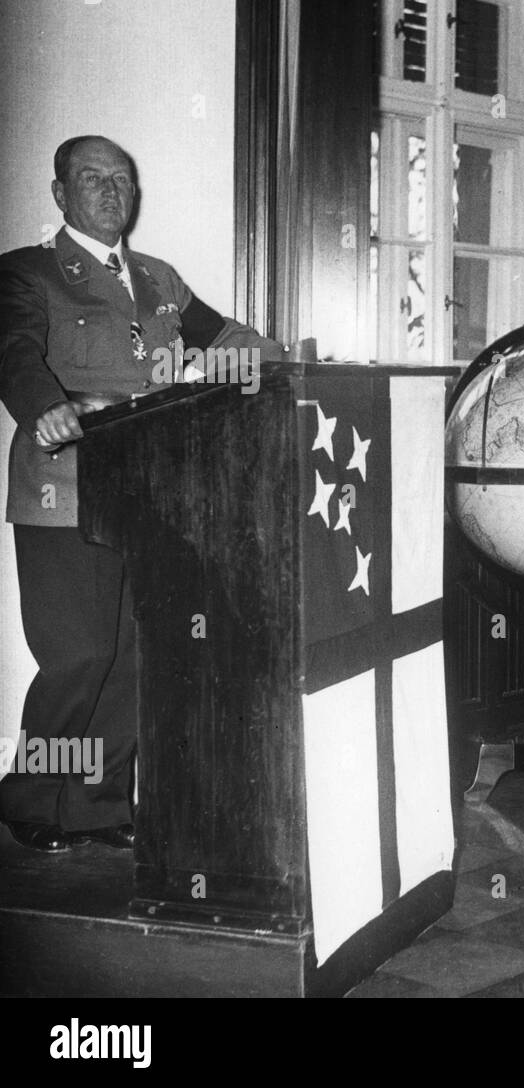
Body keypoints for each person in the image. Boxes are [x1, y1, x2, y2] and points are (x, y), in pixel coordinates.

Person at [0, 135, 283, 853]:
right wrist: (42, 407)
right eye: (92, 179)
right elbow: (14, 351)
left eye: (122, 179)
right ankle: (30, 793)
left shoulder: (159, 278)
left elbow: (224, 337)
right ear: (60, 193)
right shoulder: (28, 273)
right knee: (79, 653)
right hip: (66, 487)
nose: (110, 191)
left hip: (153, 488)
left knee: (134, 654)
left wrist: (288, 365)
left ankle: (99, 804)